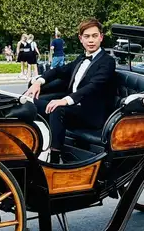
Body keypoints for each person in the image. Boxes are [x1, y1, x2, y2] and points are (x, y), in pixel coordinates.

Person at [24, 18, 116, 163]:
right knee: (28, 103)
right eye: (86, 36)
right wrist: (38, 81)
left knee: (57, 108)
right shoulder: (80, 58)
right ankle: (27, 148)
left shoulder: (108, 61)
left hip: (91, 114)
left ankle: (54, 159)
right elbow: (59, 71)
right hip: (74, 109)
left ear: (101, 37)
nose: (91, 40)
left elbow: (93, 86)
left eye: (94, 36)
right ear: (80, 39)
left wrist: (64, 101)